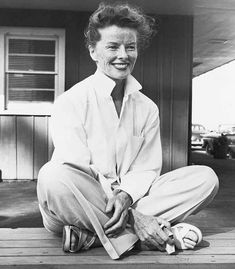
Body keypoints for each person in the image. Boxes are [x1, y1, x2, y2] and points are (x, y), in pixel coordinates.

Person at [37, 2, 219, 260]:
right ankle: (152, 234)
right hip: (79, 205)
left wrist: (126, 197)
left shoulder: (147, 108)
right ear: (93, 51)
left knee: (205, 178)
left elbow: (147, 169)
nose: (123, 55)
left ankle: (94, 238)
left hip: (130, 202)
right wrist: (135, 216)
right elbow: (75, 168)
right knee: (52, 176)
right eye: (112, 46)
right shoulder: (71, 101)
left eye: (130, 47)